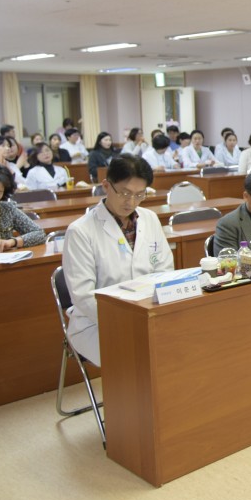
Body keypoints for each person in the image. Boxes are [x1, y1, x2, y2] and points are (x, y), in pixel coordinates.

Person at [63, 154, 174, 366]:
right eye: (125, 193)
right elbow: (83, 296)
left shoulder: (149, 218)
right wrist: (128, 322)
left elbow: (165, 270)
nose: (131, 202)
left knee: (179, 343)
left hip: (148, 314)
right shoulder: (81, 231)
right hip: (97, 323)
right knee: (140, 355)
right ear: (106, 185)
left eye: (140, 195)